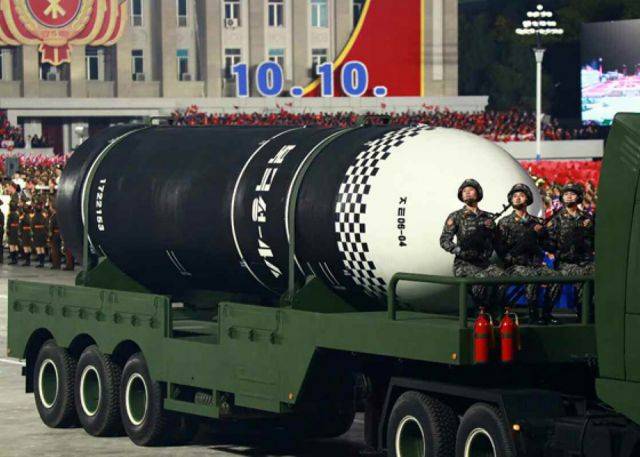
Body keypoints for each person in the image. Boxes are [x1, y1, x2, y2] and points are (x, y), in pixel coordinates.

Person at [440, 179, 505, 314]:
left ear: (478, 193)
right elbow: (444, 240)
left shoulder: (488, 217)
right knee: (481, 280)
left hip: (484, 263)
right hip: (464, 264)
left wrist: (492, 229)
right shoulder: (456, 216)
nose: (467, 193)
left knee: (502, 278)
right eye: (464, 191)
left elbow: (497, 241)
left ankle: (494, 310)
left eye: (471, 190)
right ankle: (481, 312)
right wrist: (459, 250)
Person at [497, 184, 559, 324]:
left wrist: (543, 234)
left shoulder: (537, 222)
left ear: (527, 199)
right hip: (515, 266)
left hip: (536, 265)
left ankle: (546, 313)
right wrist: (510, 258)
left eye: (521, 195)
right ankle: (533, 315)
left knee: (557, 278)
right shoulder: (504, 222)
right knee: (531, 277)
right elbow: (500, 248)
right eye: (515, 196)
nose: (518, 198)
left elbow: (548, 246)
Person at [545, 183, 595, 314]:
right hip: (565, 263)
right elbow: (548, 241)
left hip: (586, 261)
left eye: (572, 194)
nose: (568, 197)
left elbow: (594, 239)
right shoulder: (556, 219)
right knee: (574, 277)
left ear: (578, 197)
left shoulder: (588, 218)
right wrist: (555, 252)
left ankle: (586, 313)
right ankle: (546, 314)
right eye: (566, 194)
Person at [31, 203, 48, 268]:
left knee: (38, 248)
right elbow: (46, 225)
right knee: (42, 247)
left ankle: (40, 262)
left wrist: (33, 233)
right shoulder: (44, 216)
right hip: (42, 233)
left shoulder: (34, 217)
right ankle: (42, 262)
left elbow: (32, 226)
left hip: (36, 233)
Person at [48, 202, 61, 269]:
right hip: (59, 234)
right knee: (58, 249)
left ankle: (55, 264)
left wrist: (50, 236)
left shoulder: (53, 216)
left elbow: (51, 227)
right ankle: (58, 263)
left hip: (55, 234)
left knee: (55, 250)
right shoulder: (59, 215)